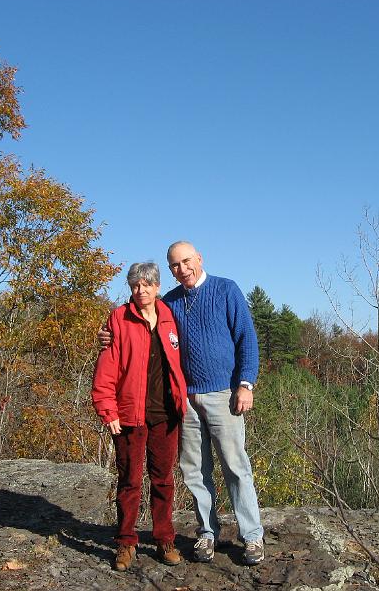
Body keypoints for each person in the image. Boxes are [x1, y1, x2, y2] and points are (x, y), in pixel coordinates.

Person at [99, 241, 265, 566]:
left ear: (199, 259)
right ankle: (207, 533)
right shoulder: (170, 303)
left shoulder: (226, 290)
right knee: (194, 471)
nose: (182, 269)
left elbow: (247, 337)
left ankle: (252, 536)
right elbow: (138, 312)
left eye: (186, 261)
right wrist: (109, 333)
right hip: (183, 399)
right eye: (175, 265)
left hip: (224, 395)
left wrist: (245, 384)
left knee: (235, 467)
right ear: (170, 272)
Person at [91, 262, 188, 572]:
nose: (141, 290)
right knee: (129, 481)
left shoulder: (171, 317)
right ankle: (125, 542)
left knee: (163, 480)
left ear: (157, 287)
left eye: (147, 284)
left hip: (165, 413)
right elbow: (107, 368)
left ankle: (164, 539)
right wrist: (108, 410)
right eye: (135, 285)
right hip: (130, 414)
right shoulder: (119, 318)